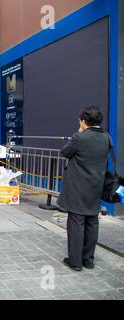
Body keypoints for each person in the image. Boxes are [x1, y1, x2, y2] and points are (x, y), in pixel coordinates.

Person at [57, 106, 111, 272]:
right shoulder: (107, 137)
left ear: (84, 121)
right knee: (92, 222)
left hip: (78, 186)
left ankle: (75, 261)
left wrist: (79, 132)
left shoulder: (80, 137)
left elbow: (65, 152)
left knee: (76, 222)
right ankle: (88, 260)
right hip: (96, 185)